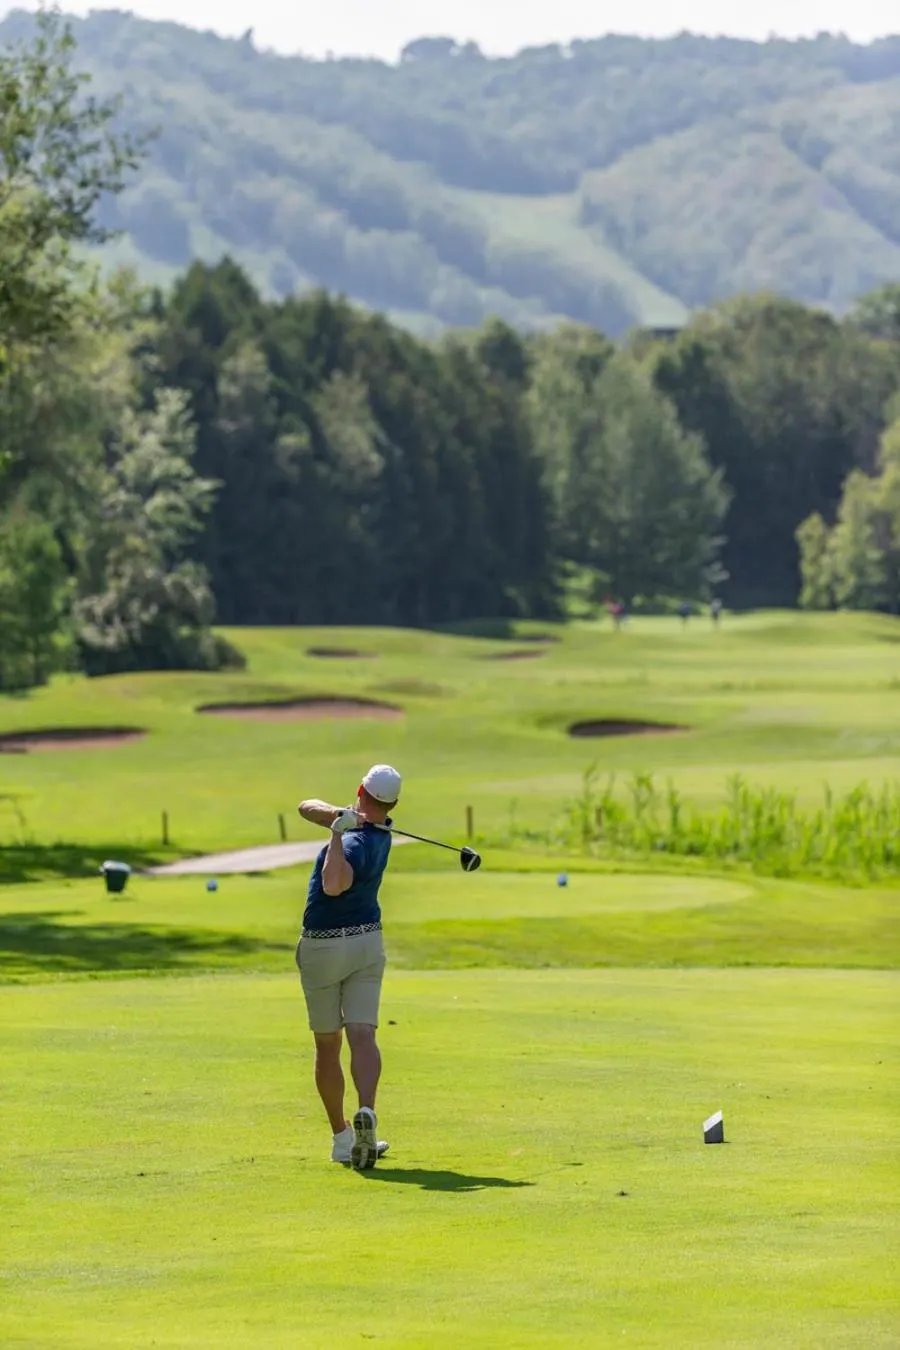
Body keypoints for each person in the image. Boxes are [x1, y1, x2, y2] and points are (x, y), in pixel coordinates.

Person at [296, 764, 402, 1169]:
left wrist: (337, 834)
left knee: (328, 1043)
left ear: (360, 789)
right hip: (367, 942)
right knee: (363, 1033)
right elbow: (306, 806)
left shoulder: (355, 841)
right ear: (392, 804)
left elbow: (333, 885)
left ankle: (342, 1137)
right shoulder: (382, 832)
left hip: (324, 946)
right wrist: (339, 816)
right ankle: (367, 1111)